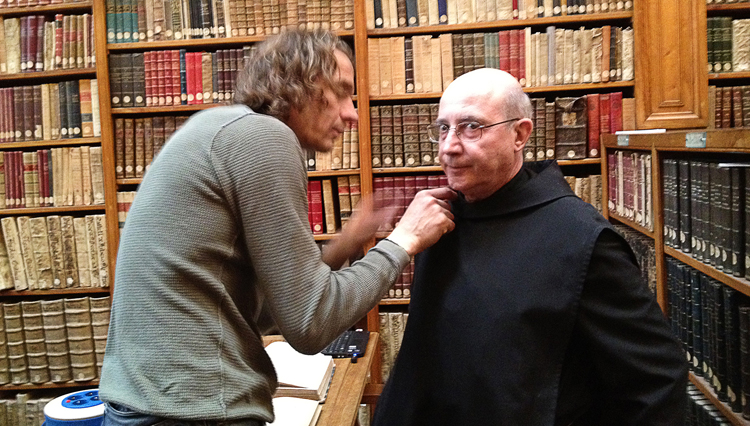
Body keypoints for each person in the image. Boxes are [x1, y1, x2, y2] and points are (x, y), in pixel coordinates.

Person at [99, 29, 456, 426]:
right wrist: (404, 240)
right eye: (341, 92)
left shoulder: (221, 127)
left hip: (149, 405)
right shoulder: (263, 137)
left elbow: (257, 311)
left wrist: (341, 248)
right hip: (194, 412)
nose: (352, 113)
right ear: (298, 83)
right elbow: (309, 324)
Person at [371, 68, 688, 426]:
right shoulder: (435, 219)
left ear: (520, 134)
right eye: (443, 128)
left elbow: (657, 379)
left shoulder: (581, 238)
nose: (449, 147)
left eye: (471, 127)